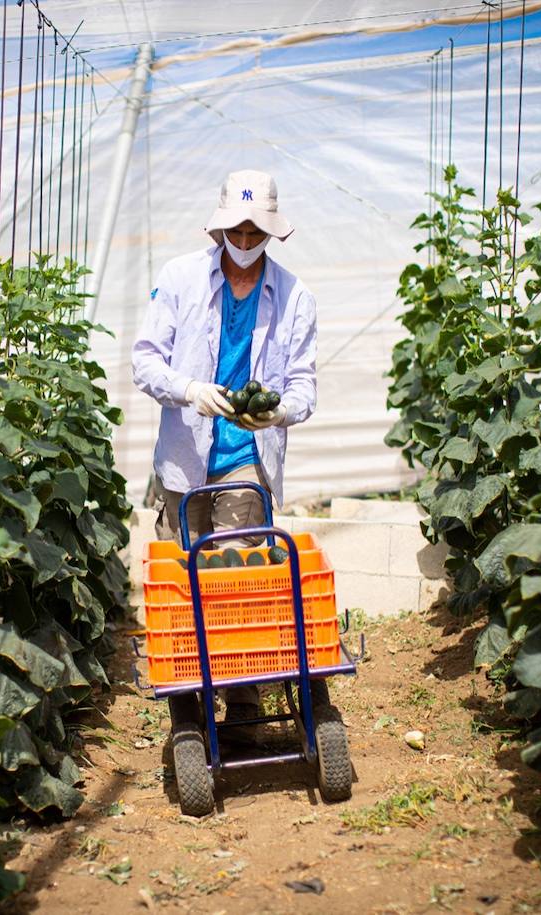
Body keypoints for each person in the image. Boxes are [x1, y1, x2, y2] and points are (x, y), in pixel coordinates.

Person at [132, 168, 318, 739]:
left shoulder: (295, 297)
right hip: (184, 458)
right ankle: (187, 710)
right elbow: (145, 362)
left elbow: (303, 386)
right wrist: (190, 390)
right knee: (184, 586)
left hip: (245, 458)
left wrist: (278, 411)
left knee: (236, 583)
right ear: (219, 230)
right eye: (234, 232)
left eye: (253, 233)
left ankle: (241, 709)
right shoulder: (180, 279)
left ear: (271, 232)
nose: (242, 243)